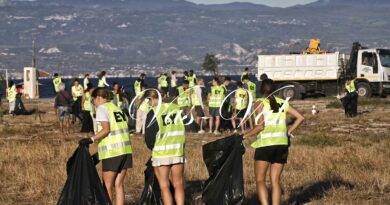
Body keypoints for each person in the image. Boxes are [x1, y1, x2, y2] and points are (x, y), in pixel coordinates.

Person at [243, 79, 304, 205]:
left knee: (260, 180)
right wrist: (288, 132)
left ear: (261, 90)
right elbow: (300, 117)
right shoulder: (282, 102)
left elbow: (260, 126)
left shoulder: (259, 103)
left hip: (265, 144)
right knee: (275, 180)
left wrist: (244, 135)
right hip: (281, 144)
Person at [79, 88, 133, 205]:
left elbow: (106, 129)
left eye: (93, 100)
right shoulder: (116, 108)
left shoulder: (102, 109)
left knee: (107, 186)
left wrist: (91, 139)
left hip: (112, 152)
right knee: (119, 185)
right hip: (126, 150)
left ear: (98, 97)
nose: (93, 103)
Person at [143, 89, 186, 205]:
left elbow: (149, 137)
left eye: (147, 101)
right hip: (178, 150)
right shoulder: (175, 108)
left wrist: (152, 147)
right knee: (179, 184)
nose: (147, 104)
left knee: (164, 186)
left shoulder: (153, 112)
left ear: (151, 99)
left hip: (161, 153)